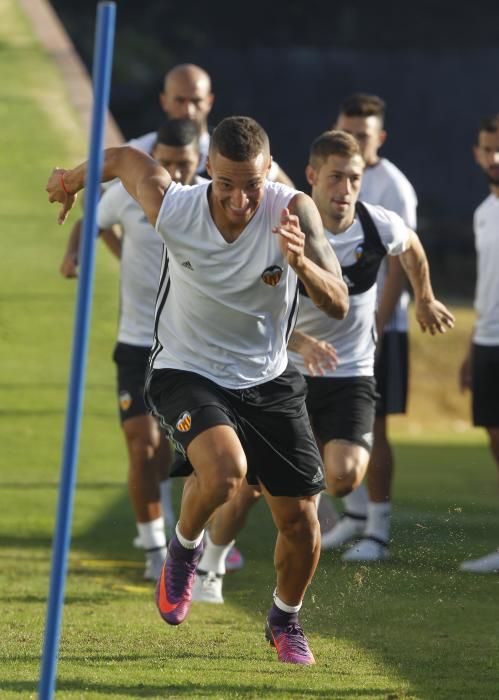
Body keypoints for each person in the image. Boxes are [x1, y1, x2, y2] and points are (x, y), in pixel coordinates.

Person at [47, 115, 349, 665]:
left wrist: (300, 261)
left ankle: (284, 619)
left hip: (267, 377)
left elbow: (338, 302)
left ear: (269, 170)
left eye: (252, 185)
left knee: (301, 523)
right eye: (228, 184)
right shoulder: (175, 206)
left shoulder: (292, 210)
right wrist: (69, 180)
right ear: (208, 169)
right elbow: (119, 161)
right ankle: (183, 550)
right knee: (225, 470)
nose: (240, 200)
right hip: (186, 370)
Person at [192, 130, 454, 603]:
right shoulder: (279, 224)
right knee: (249, 487)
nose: (346, 188)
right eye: (336, 177)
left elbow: (411, 247)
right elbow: (244, 305)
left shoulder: (377, 225)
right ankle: (209, 565)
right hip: (282, 372)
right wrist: (297, 340)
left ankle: (333, 529)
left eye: (354, 178)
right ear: (313, 177)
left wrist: (426, 298)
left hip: (352, 372)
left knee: (343, 476)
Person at [60, 119, 204, 580]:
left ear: (198, 162)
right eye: (166, 163)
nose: (175, 173)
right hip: (137, 343)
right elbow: (91, 222)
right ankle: (154, 551)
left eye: (184, 164)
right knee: (142, 444)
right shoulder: (129, 194)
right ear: (154, 160)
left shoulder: (205, 203)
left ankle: (202, 546)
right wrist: (74, 253)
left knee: (192, 453)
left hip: (191, 348)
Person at [320, 93, 419, 561]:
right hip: (334, 328)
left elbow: (402, 258)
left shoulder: (393, 187)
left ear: (379, 137)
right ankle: (355, 518)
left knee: (372, 427)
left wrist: (379, 325)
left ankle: (378, 530)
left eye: (362, 135)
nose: (354, 141)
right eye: (347, 131)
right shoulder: (329, 181)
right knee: (328, 425)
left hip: (380, 325)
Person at [132, 63, 294, 185]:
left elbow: (287, 192)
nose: (188, 110)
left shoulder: (232, 147)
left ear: (209, 101)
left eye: (196, 101)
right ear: (163, 100)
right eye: (180, 100)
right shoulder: (140, 151)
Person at [459, 114, 499, 573]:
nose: (495, 157)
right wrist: (471, 350)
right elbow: (485, 287)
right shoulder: (482, 213)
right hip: (487, 343)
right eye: (488, 149)